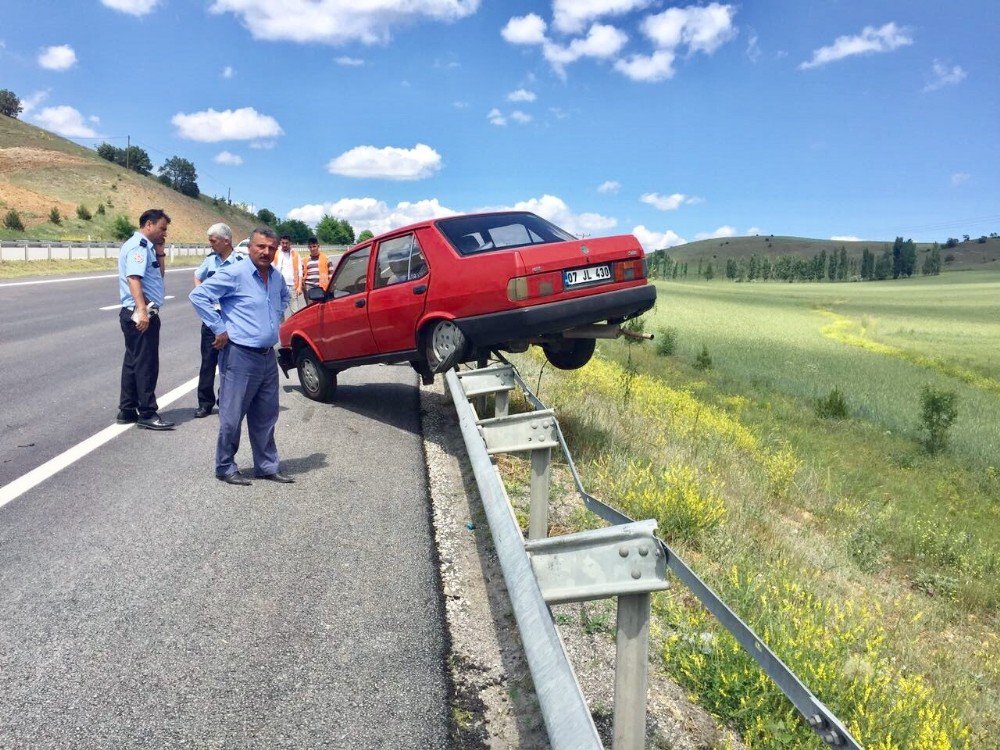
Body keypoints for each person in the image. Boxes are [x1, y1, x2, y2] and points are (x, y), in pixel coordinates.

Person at [189, 227, 293, 486]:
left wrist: (273, 319)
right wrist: (219, 327)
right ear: (250, 247)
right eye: (261, 246)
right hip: (240, 356)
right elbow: (199, 295)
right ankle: (225, 466)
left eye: (271, 248)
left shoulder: (276, 277)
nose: (266, 252)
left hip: (268, 356)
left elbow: (284, 297)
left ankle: (267, 466)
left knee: (266, 416)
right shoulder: (235, 273)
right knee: (232, 416)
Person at [116, 208, 174, 431]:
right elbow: (134, 278)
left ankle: (127, 409)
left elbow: (158, 275)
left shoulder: (148, 248)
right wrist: (142, 310)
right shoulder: (138, 247)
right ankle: (147, 413)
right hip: (141, 313)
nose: (164, 233)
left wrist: (160, 252)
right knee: (146, 364)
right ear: (149, 225)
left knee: (133, 362)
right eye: (162, 229)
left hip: (138, 312)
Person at [192, 223, 245, 418]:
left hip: (231, 320)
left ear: (226, 241)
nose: (210, 245)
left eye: (213, 241)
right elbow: (197, 276)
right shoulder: (210, 261)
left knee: (230, 363)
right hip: (211, 320)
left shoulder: (241, 262)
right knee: (208, 362)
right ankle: (205, 403)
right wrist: (203, 296)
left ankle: (225, 400)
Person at [272, 234, 302, 317]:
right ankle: (282, 329)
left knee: (295, 312)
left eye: (287, 243)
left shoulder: (295, 254)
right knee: (280, 311)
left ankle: (295, 328)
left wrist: (299, 287)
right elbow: (271, 269)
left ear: (290, 243)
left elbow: (300, 271)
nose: (284, 245)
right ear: (280, 243)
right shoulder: (276, 253)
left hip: (292, 287)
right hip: (279, 286)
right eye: (283, 243)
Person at [299, 237, 333, 305]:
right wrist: (302, 286)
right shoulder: (305, 260)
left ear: (318, 246)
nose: (312, 249)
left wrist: (330, 286)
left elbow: (331, 273)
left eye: (314, 246)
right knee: (311, 308)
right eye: (310, 247)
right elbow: (301, 274)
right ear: (308, 247)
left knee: (323, 306)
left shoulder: (326, 258)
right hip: (309, 287)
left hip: (322, 287)